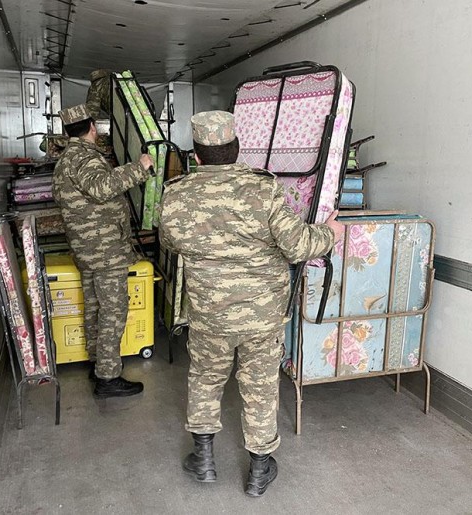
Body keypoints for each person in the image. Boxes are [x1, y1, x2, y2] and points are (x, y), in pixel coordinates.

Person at [159, 111, 345, 496]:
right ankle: (259, 470)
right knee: (259, 385)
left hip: (209, 312)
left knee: (205, 378)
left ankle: (204, 460)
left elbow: (169, 243)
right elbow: (298, 247)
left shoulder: (176, 193)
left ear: (195, 156)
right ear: (238, 149)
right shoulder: (263, 189)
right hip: (262, 314)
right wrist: (332, 232)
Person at [52, 104, 153, 398]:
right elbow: (101, 188)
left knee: (95, 307)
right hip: (105, 250)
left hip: (85, 250)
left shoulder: (65, 160)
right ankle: (108, 377)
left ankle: (98, 362)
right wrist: (140, 167)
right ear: (92, 127)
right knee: (113, 310)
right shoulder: (85, 158)